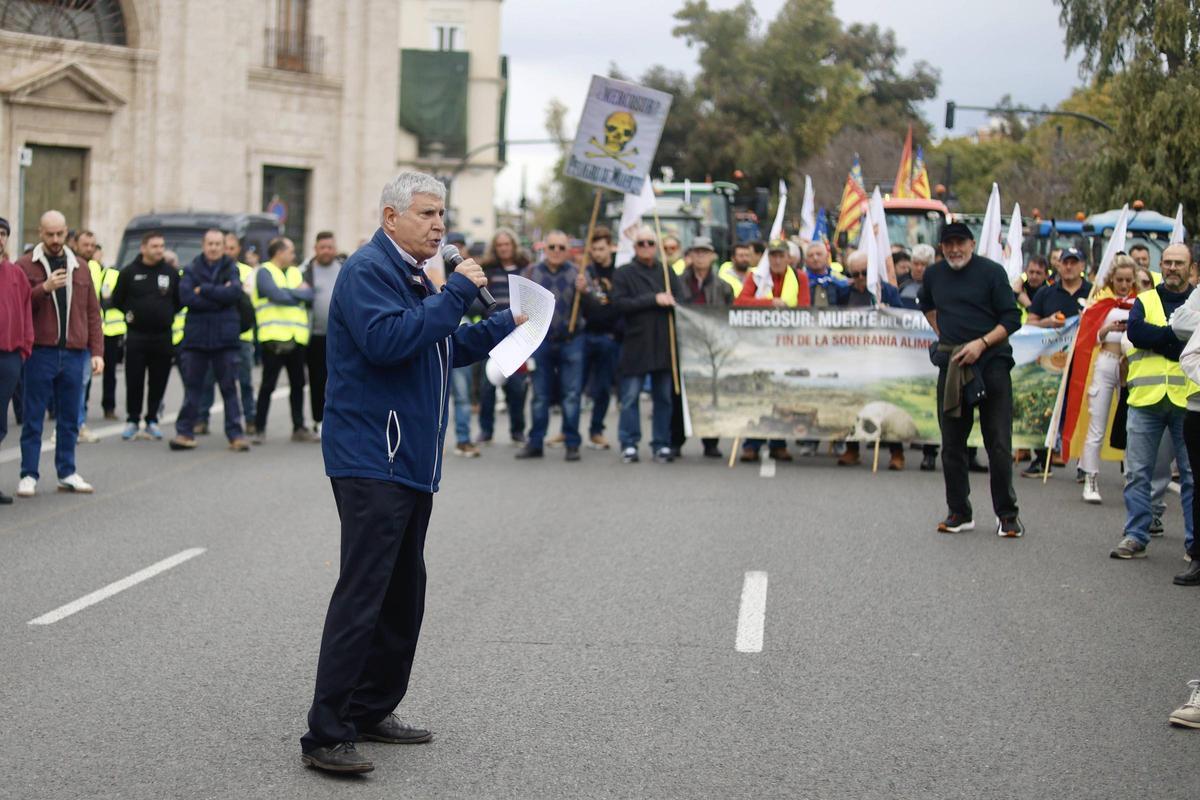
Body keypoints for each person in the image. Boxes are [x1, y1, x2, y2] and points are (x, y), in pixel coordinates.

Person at [300, 171, 522, 774]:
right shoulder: (369, 270)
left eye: (442, 215)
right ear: (390, 217)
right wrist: (452, 296)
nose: (439, 225)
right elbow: (388, 342)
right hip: (373, 456)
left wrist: (510, 325)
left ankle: (371, 707)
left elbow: (442, 344)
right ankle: (326, 731)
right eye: (426, 214)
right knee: (365, 592)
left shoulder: (419, 274)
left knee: (403, 594)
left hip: (411, 460)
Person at [919, 222, 1024, 538]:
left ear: (972, 243)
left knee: (999, 443)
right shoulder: (934, 275)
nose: (954, 249)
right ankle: (959, 512)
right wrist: (946, 336)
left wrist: (980, 344)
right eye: (948, 243)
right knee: (951, 445)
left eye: (960, 243)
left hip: (992, 364)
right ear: (941, 247)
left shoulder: (991, 272)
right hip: (952, 366)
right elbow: (926, 305)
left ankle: (1007, 515)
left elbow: (1012, 319)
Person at [1109, 242, 1195, 560]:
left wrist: (1160, 337)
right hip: (1146, 401)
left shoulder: (1198, 301)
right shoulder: (1145, 300)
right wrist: (1175, 338)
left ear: (1191, 267)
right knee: (1137, 473)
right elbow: (1137, 333)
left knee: (1191, 476)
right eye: (1168, 262)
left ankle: (1194, 543)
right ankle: (1135, 535)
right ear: (1162, 264)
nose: (1172, 268)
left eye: (1179, 263)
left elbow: (1153, 337)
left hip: (1188, 402)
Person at [14, 210, 103, 497]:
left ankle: (67, 471)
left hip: (74, 353)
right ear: (40, 233)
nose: (55, 240)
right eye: (49, 234)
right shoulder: (25, 266)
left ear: (67, 234)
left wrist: (97, 351)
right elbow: (18, 307)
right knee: (33, 417)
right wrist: (44, 288)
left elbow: (92, 312)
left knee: (69, 418)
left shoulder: (80, 265)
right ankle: (28, 474)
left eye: (60, 234)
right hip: (40, 353)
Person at [170, 230, 251, 452]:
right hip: (196, 339)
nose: (214, 247)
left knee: (229, 389)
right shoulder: (191, 268)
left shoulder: (231, 268)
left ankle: (236, 435)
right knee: (193, 388)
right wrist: (218, 296)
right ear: (203, 245)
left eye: (218, 244)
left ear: (224, 246)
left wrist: (204, 290)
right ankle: (184, 432)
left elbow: (233, 293)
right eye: (210, 243)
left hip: (225, 340)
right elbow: (187, 297)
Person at [608, 226, 681, 464]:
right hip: (636, 343)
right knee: (630, 397)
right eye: (642, 244)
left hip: (663, 344)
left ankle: (661, 443)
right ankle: (629, 443)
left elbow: (682, 300)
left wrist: (673, 301)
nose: (647, 247)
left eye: (651, 243)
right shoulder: (623, 273)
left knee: (664, 398)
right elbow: (618, 304)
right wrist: (654, 299)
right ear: (635, 247)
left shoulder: (667, 272)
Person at [735, 239, 810, 462]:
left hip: (788, 344)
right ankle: (752, 443)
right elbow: (740, 303)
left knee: (783, 392)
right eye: (773, 256)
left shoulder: (799, 278)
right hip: (760, 343)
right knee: (759, 393)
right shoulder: (755, 277)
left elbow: (804, 307)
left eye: (781, 256)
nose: (777, 260)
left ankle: (779, 443)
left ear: (789, 258)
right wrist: (770, 303)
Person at [1023, 247, 1092, 477]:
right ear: (1059, 265)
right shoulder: (1046, 293)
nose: (1069, 266)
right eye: (1066, 262)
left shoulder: (1093, 293)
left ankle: (1084, 464)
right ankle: (1042, 459)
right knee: (1043, 409)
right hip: (1051, 364)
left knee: (1083, 411)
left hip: (1083, 361)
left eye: (1074, 262)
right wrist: (1047, 322)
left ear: (1082, 266)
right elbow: (1031, 324)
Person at [516, 230, 584, 461]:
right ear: (544, 249)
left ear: (568, 250)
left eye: (561, 248)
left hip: (571, 341)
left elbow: (601, 303)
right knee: (540, 395)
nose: (556, 252)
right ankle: (535, 442)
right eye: (551, 247)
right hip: (540, 342)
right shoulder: (531, 272)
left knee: (572, 395)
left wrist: (588, 291)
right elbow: (521, 306)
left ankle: (572, 442)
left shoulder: (579, 273)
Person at [835, 250, 906, 468]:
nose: (860, 278)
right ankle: (852, 449)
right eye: (855, 274)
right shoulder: (844, 293)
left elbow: (904, 320)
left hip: (882, 358)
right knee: (854, 403)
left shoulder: (888, 291)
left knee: (886, 404)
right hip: (853, 357)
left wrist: (889, 313)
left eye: (864, 273)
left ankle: (896, 453)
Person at [1076, 256, 1138, 503]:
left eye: (1127, 280)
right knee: (1097, 423)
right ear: (1112, 279)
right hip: (1106, 362)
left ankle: (1133, 478)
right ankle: (1090, 476)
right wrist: (1110, 329)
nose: (1123, 284)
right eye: (1119, 279)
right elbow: (1091, 335)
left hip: (1131, 366)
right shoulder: (1101, 302)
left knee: (1133, 423)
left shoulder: (1140, 302)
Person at [111, 231, 179, 441]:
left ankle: (152, 420)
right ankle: (132, 419)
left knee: (159, 380)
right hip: (137, 336)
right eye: (155, 246)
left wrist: (165, 313)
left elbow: (179, 300)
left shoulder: (171, 273)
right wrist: (131, 314)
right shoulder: (129, 272)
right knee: (134, 379)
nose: (159, 250)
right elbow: (117, 299)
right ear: (143, 248)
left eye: (161, 246)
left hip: (163, 336)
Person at [253, 237, 315, 444]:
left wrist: (289, 293)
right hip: (273, 339)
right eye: (290, 251)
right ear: (279, 252)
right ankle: (259, 428)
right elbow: (275, 295)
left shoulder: (296, 271)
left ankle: (299, 427)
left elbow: (309, 295)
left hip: (296, 338)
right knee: (268, 385)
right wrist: (296, 294)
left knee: (298, 384)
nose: (293, 255)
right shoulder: (264, 272)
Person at [675, 236, 731, 459]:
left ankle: (710, 443)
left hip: (710, 347)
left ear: (713, 256)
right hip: (684, 344)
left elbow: (727, 315)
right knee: (680, 395)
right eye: (696, 252)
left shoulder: (723, 286)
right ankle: (675, 440)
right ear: (690, 256)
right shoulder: (677, 282)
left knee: (709, 393)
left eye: (705, 252)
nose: (700, 256)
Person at [196, 233, 257, 435]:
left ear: (237, 249)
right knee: (208, 380)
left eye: (231, 248)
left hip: (242, 336)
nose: (228, 251)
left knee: (245, 382)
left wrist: (214, 292)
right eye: (225, 247)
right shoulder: (210, 270)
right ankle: (202, 419)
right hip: (217, 333)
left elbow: (241, 298)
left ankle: (250, 419)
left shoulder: (246, 271)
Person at [477, 227, 530, 445]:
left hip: (518, 335)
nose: (504, 248)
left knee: (517, 385)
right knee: (487, 384)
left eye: (507, 244)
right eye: (499, 245)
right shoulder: (487, 270)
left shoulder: (526, 269)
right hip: (493, 331)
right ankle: (486, 430)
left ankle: (517, 430)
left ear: (514, 246)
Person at [0, 217, 33, 504]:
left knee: (0, 424)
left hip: (10, 356)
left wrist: (24, 350)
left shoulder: (15, 274)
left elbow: (25, 314)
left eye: (2, 234)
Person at [579, 226, 622, 451]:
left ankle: (597, 430)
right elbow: (586, 309)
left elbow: (616, 307)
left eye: (601, 248)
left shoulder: (619, 272)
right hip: (587, 334)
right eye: (594, 249)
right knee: (576, 386)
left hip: (609, 336)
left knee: (603, 387)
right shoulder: (585, 273)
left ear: (610, 247)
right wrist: (584, 293)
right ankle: (570, 430)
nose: (597, 253)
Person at [444, 232, 482, 458]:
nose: (455, 251)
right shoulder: (433, 270)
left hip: (460, 332)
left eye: (459, 247)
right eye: (452, 246)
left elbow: (478, 307)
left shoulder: (470, 271)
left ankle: (463, 438)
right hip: (434, 334)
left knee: (462, 393)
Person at [81, 229, 124, 427]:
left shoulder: (111, 272)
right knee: (86, 373)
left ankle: (109, 407)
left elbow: (114, 297)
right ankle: (83, 408)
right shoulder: (88, 269)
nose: (94, 253)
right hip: (93, 329)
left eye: (96, 249)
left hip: (112, 331)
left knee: (110, 374)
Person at [302, 231, 344, 439]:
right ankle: (318, 421)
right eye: (322, 247)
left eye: (330, 247)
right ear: (315, 249)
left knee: (340, 380)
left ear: (335, 248)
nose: (326, 251)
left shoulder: (344, 268)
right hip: (315, 336)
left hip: (340, 337)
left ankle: (337, 422)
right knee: (317, 381)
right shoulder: (306, 270)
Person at [802, 241, 846, 309]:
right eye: (811, 255)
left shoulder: (839, 280)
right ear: (806, 260)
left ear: (827, 257)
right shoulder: (801, 282)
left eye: (819, 254)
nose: (815, 258)